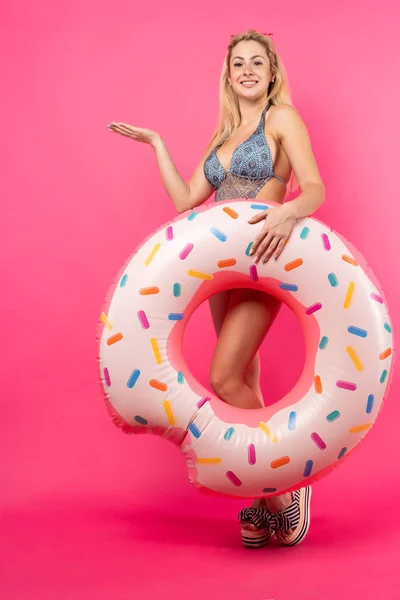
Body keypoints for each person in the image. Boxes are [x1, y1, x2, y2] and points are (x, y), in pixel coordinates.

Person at [107, 28, 325, 548]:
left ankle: (284, 489)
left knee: (224, 376)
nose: (247, 70)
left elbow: (314, 187)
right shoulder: (222, 133)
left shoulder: (283, 119)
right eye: (238, 64)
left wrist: (287, 211)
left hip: (261, 259)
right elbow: (188, 199)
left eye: (257, 62)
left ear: (272, 73)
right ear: (228, 76)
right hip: (218, 266)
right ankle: (261, 493)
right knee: (244, 380)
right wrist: (158, 143)